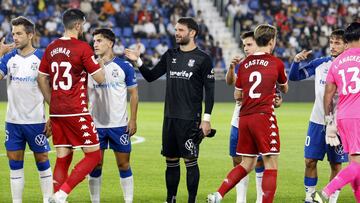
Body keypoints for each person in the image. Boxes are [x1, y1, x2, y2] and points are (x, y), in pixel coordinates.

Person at [125, 17, 214, 203]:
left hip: (190, 119)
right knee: (171, 161)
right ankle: (170, 199)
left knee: (190, 162)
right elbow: (150, 76)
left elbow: (210, 92)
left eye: (181, 30)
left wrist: (206, 119)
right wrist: (138, 62)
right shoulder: (170, 55)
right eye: (176, 29)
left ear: (192, 33)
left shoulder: (203, 59)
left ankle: (191, 200)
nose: (177, 33)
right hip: (170, 118)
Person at [207, 24, 288, 203]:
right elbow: (284, 87)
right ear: (272, 41)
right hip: (263, 117)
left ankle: (218, 195)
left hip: (243, 118)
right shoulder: (276, 63)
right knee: (271, 164)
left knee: (246, 163)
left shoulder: (244, 65)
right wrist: (275, 94)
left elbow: (237, 94)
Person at [37, 9, 105, 203]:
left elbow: (41, 77)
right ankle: (62, 193)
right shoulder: (82, 48)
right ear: (77, 25)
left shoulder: (51, 47)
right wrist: (99, 62)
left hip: (57, 111)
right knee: (93, 156)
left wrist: (53, 101)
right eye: (82, 25)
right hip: (76, 110)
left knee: (63, 157)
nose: (82, 28)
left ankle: (56, 197)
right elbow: (99, 78)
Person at [288, 29, 348, 203]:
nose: (333, 46)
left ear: (346, 44)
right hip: (317, 122)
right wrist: (296, 62)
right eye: (331, 42)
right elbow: (295, 77)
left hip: (338, 124)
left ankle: (331, 200)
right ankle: (309, 198)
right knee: (309, 161)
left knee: (336, 164)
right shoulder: (321, 63)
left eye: (337, 42)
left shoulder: (351, 67)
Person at [0, 16, 53, 203]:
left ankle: (48, 200)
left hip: (36, 121)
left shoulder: (42, 58)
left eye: (19, 33)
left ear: (30, 35)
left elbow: (51, 89)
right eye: (13, 33)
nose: (14, 37)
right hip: (13, 122)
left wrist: (53, 116)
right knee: (14, 163)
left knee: (42, 161)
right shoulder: (8, 58)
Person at [225, 31, 283, 203]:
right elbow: (230, 83)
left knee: (258, 163)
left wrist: (277, 101)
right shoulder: (245, 65)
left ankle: (259, 199)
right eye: (244, 45)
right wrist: (231, 67)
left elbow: (275, 95)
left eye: (249, 44)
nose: (246, 48)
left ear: (258, 44)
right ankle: (240, 199)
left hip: (250, 119)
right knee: (238, 161)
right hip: (238, 121)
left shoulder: (264, 65)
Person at [87, 28, 138, 203]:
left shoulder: (124, 66)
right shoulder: (88, 66)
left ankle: (128, 200)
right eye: (94, 41)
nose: (95, 44)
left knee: (123, 164)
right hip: (95, 124)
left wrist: (133, 119)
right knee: (95, 164)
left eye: (99, 40)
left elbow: (134, 94)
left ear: (110, 43)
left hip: (119, 124)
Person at [312, 22, 360, 203]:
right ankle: (325, 192)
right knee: (357, 166)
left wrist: (329, 121)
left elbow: (328, 95)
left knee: (354, 165)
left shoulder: (337, 62)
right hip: (358, 116)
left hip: (343, 117)